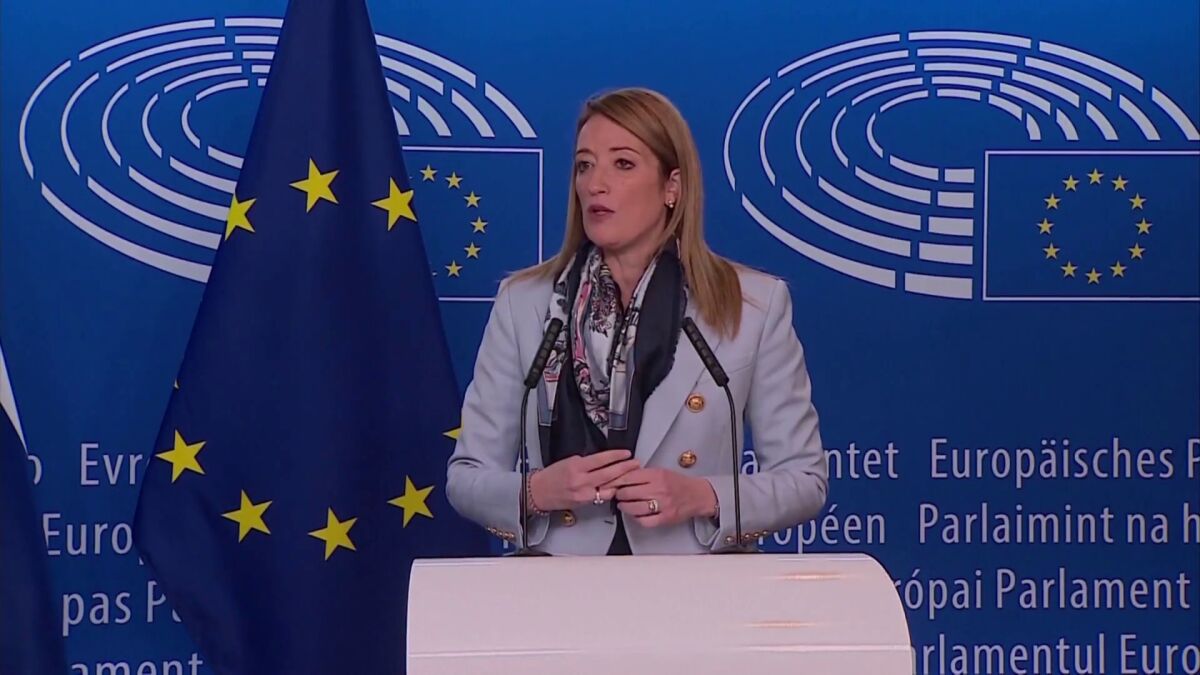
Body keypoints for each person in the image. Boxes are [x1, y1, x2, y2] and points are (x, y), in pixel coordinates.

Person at [446, 87, 827, 555]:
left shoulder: (752, 305)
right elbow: (466, 478)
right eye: (584, 166)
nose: (595, 184)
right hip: (557, 584)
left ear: (672, 187)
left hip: (695, 585)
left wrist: (704, 496)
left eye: (622, 164)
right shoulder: (523, 303)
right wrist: (535, 491)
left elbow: (804, 479)